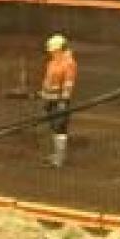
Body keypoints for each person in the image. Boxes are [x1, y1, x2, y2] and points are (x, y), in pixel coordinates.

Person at [39, 33, 78, 168]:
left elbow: (68, 84)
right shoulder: (53, 62)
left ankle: (59, 158)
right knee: (54, 127)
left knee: (60, 128)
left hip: (59, 102)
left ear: (59, 49)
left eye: (53, 50)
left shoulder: (69, 64)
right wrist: (44, 95)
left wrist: (63, 102)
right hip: (50, 100)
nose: (51, 53)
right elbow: (48, 80)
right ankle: (56, 154)